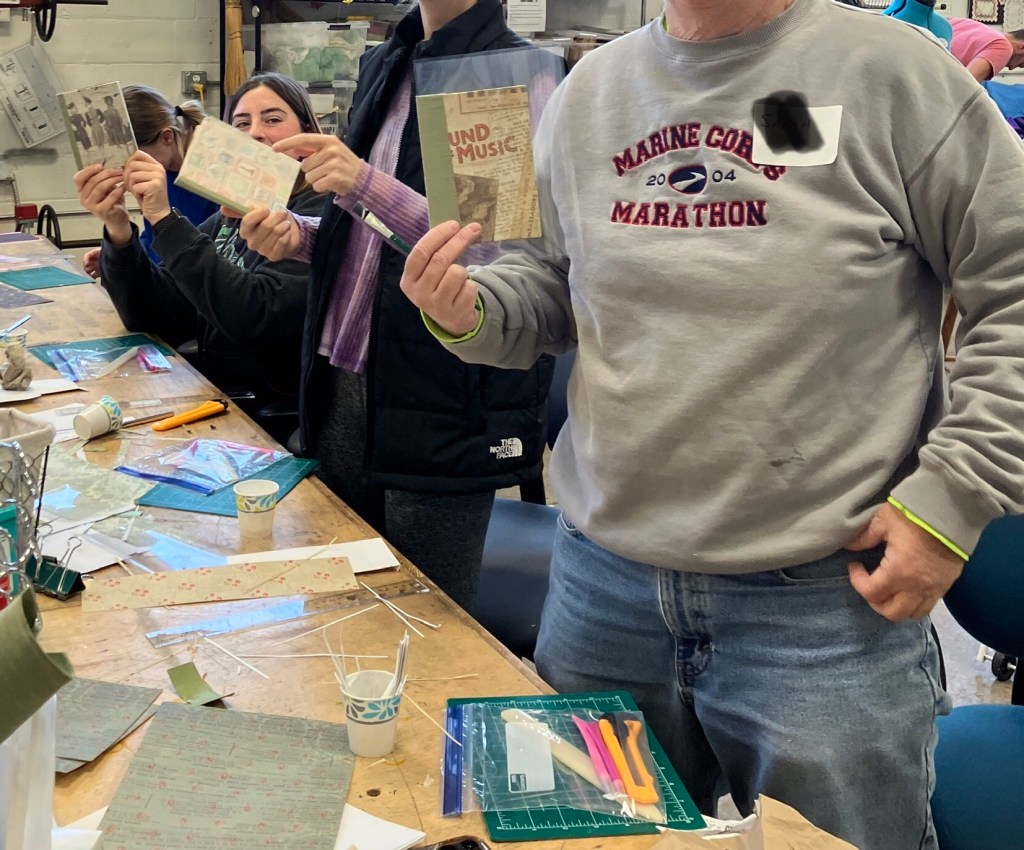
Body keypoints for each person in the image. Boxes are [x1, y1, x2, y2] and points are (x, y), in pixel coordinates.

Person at [398, 1, 1024, 848]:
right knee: (589, 843)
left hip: (825, 606)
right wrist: (470, 308)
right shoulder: (590, 93)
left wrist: (953, 498)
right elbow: (548, 289)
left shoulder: (893, 74)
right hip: (601, 593)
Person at [236, 0, 556, 610]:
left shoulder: (508, 72)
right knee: (335, 608)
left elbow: (495, 257)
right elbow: (368, 240)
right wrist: (302, 237)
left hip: (439, 398)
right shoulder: (386, 62)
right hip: (342, 383)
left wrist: (363, 182)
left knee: (427, 619)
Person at [73, 72, 327, 439]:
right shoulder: (232, 213)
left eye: (272, 119)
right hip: (213, 398)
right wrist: (119, 231)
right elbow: (155, 313)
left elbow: (254, 316)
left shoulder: (318, 213)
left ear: (307, 130)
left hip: (266, 416)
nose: (255, 133)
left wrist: (164, 219)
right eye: (242, 124)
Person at [82, 86, 218, 275]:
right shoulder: (163, 174)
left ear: (167, 137)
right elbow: (153, 239)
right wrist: (121, 255)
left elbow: (212, 263)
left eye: (131, 158)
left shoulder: (211, 181)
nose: (125, 169)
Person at [950, 18, 1024, 81]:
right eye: (1020, 64)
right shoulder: (1004, 47)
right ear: (1022, 47)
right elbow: (965, 85)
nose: (1011, 68)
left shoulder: (964, 22)